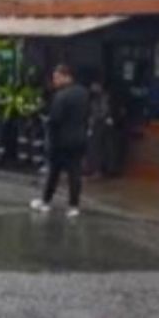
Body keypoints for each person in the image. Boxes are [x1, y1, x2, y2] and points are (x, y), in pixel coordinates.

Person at [31, 64, 91, 218]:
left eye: (57, 78)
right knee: (75, 173)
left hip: (61, 140)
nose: (55, 81)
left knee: (54, 172)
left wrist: (47, 124)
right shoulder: (83, 93)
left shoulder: (61, 96)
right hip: (79, 138)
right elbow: (87, 114)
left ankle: (46, 201)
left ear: (66, 76)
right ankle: (73, 206)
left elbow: (55, 119)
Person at [85, 80, 111, 178]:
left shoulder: (103, 97)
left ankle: (97, 169)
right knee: (92, 147)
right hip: (93, 124)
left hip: (99, 124)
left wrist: (94, 118)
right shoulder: (93, 97)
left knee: (97, 147)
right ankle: (91, 168)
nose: (92, 87)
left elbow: (104, 111)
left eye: (95, 85)